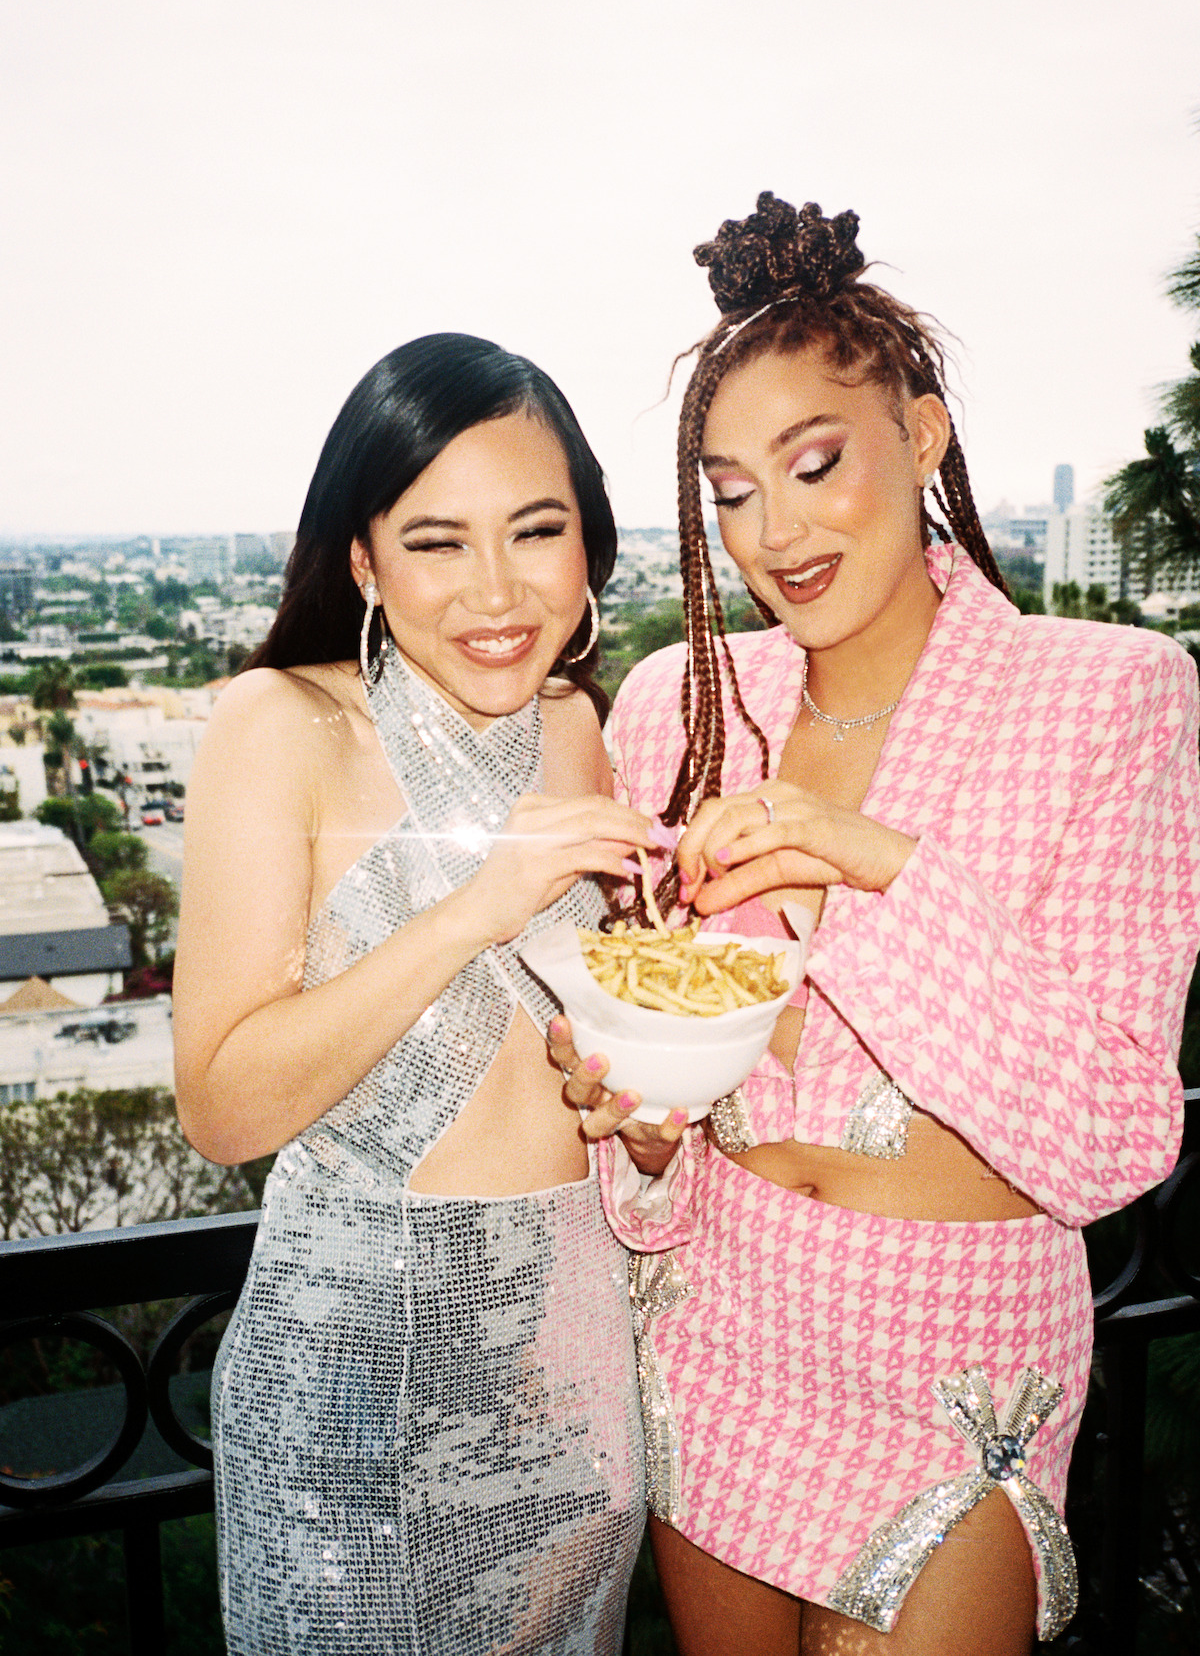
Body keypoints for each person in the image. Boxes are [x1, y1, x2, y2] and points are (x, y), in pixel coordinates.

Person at [556, 195, 1200, 1656]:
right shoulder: (676, 709)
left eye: (814, 464)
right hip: (721, 1322)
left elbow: (1114, 1136)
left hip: (956, 1349)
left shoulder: (1110, 697)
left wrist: (872, 865)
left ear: (921, 436)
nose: (774, 532)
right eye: (731, 492)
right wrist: (641, 1136)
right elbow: (654, 1064)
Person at [173, 333, 656, 1656]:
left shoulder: (575, 726)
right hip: (357, 1404)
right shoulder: (281, 724)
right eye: (438, 542)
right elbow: (221, 1106)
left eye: (537, 531)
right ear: (362, 559)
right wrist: (474, 908)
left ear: (590, 543)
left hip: (575, 1379)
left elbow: (573, 1045)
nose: (496, 590)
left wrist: (637, 1101)